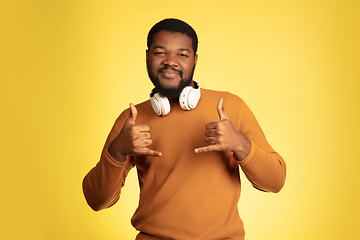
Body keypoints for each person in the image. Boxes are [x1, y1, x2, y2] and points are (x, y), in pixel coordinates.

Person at [83, 18, 286, 240]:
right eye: (160, 53)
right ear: (147, 56)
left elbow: (275, 182)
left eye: (182, 54)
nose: (170, 62)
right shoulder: (132, 119)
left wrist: (239, 144)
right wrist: (118, 151)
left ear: (195, 60)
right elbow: (96, 201)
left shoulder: (230, 107)